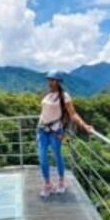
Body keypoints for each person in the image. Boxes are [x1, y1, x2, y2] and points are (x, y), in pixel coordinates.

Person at [38, 70, 93, 198]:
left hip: (55, 131)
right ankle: (47, 184)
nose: (50, 82)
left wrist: (84, 126)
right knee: (42, 158)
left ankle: (61, 182)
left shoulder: (64, 96)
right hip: (42, 130)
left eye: (52, 80)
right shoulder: (48, 95)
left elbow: (73, 114)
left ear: (58, 82)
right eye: (49, 80)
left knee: (57, 156)